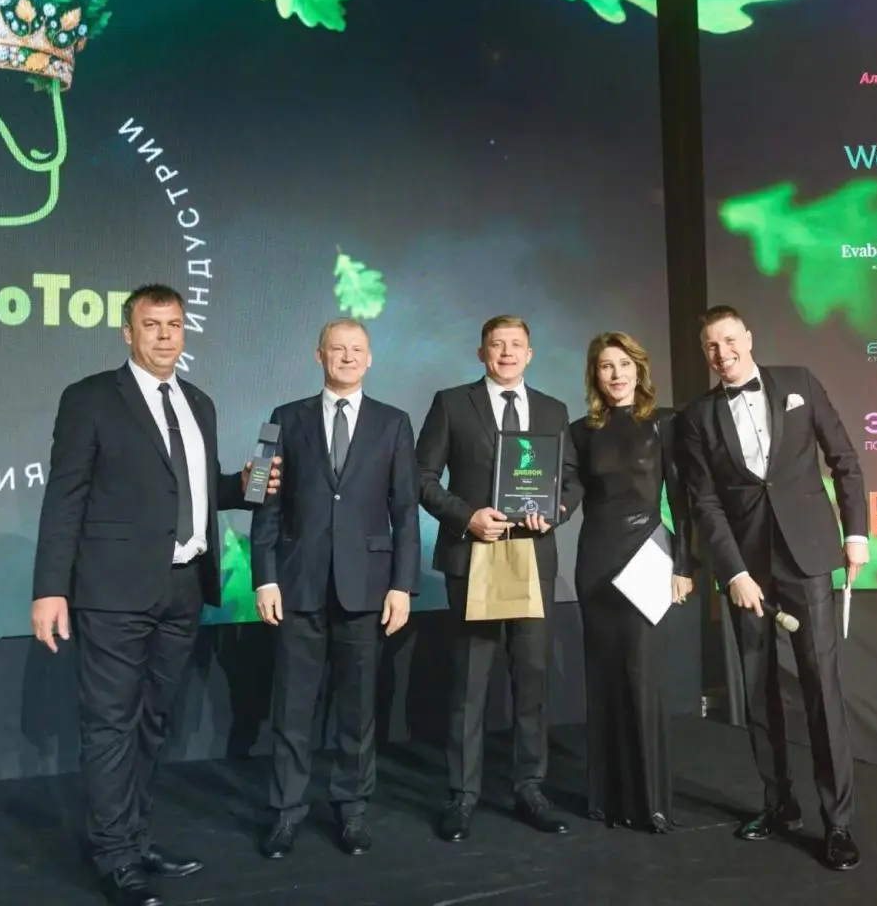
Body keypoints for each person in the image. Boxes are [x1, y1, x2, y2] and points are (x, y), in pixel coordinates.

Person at [31, 283, 281, 906]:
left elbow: (193, 489)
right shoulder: (90, 398)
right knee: (110, 724)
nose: (165, 335)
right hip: (112, 590)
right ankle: (114, 857)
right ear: (128, 331)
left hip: (183, 587)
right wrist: (50, 590)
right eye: (152, 324)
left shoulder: (199, 402)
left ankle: (136, 839)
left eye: (174, 324)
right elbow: (64, 497)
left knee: (153, 720)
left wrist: (243, 484)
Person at [676, 305, 867, 872]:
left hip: (808, 558)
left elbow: (844, 459)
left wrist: (856, 534)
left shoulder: (798, 381)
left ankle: (837, 823)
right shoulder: (697, 417)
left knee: (821, 688)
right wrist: (733, 573)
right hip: (747, 570)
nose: (722, 353)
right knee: (759, 692)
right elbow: (704, 502)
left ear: (749, 338)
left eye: (729, 340)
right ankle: (779, 804)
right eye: (711, 346)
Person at [249, 318, 421, 859]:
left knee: (358, 709)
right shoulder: (282, 418)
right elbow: (262, 500)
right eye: (337, 349)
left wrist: (402, 586)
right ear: (318, 354)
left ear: (369, 359)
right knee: (292, 708)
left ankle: (352, 810)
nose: (347, 357)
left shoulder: (395, 422)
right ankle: (286, 813)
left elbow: (405, 511)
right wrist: (264, 576)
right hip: (297, 584)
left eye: (356, 349)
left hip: (367, 588)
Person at [416, 314, 580, 842]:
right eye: (497, 344)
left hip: (533, 555)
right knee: (469, 683)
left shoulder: (553, 409)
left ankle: (530, 788)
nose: (506, 352)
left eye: (516, 345)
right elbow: (421, 477)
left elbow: (570, 480)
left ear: (530, 353)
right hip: (474, 555)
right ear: (481, 352)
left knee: (532, 680)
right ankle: (462, 795)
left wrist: (554, 512)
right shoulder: (451, 403)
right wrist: (466, 517)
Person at [568, 332, 692, 834]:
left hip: (647, 559)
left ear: (639, 369)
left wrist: (684, 566)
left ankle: (649, 803)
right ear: (595, 376)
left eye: (623, 364)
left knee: (642, 676)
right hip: (595, 561)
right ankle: (606, 800)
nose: (616, 374)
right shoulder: (581, 431)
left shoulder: (665, 423)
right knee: (604, 678)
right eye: (605, 366)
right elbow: (569, 493)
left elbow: (682, 500)